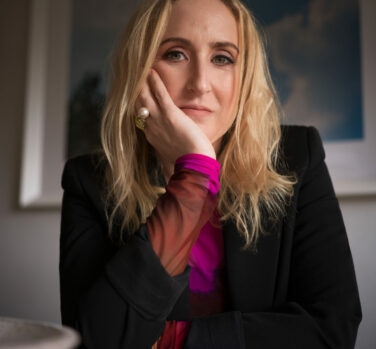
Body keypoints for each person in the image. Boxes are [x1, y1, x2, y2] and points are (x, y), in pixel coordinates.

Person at [59, 0, 362, 348]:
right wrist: (195, 173)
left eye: (222, 58)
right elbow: (94, 341)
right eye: (176, 54)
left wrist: (178, 340)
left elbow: (332, 331)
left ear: (244, 78)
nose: (200, 84)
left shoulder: (297, 158)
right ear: (140, 70)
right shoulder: (90, 182)